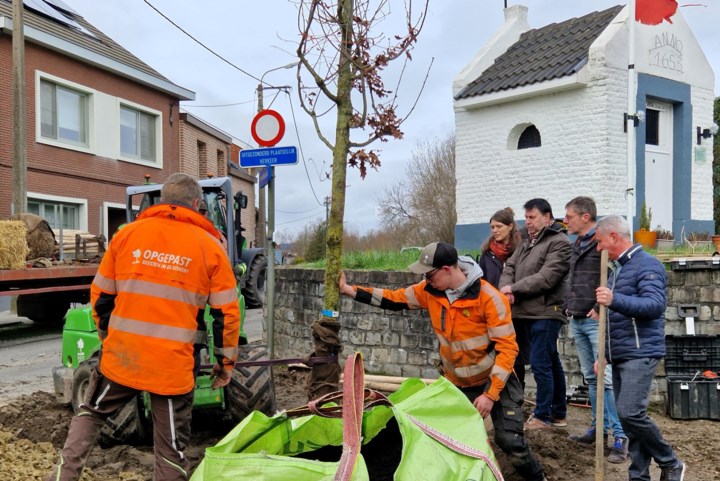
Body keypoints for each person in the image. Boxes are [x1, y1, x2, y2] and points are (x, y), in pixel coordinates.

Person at [46, 173, 241, 481]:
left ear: (162, 201)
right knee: (170, 450)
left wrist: (108, 337)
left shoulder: (126, 236)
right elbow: (227, 314)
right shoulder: (210, 247)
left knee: (91, 413)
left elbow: (100, 297)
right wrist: (225, 363)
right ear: (195, 204)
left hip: (122, 358)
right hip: (172, 369)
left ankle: (62, 477)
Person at [338, 242, 546, 481]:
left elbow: (508, 349)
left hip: (496, 380)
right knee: (445, 437)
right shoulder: (430, 291)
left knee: (510, 442)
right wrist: (349, 290)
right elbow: (393, 299)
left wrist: (490, 395)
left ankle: (537, 477)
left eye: (430, 274)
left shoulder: (489, 298)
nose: (426, 280)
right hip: (457, 383)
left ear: (448, 269)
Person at [594, 215, 685, 481]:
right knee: (629, 421)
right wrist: (606, 355)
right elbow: (616, 322)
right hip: (623, 353)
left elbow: (654, 305)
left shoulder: (648, 265)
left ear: (613, 237)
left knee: (630, 413)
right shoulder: (616, 271)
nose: (598, 249)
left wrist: (614, 299)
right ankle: (639, 476)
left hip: (641, 351)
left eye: (600, 242)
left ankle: (671, 461)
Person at [563, 197, 628, 463]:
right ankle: (598, 428)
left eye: (569, 216)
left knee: (607, 379)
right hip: (577, 317)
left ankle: (620, 437)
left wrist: (601, 307)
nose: (565, 220)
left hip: (595, 319)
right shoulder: (577, 244)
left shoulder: (601, 243)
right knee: (591, 378)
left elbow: (619, 273)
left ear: (585, 216)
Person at [498, 198, 570, 430]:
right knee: (550, 361)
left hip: (546, 312)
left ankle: (543, 416)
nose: (527, 222)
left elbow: (547, 277)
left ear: (547, 217)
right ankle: (558, 413)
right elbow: (509, 267)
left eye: (532, 217)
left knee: (541, 364)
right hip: (524, 312)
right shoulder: (526, 242)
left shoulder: (559, 243)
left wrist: (514, 289)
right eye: (526, 217)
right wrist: (505, 289)